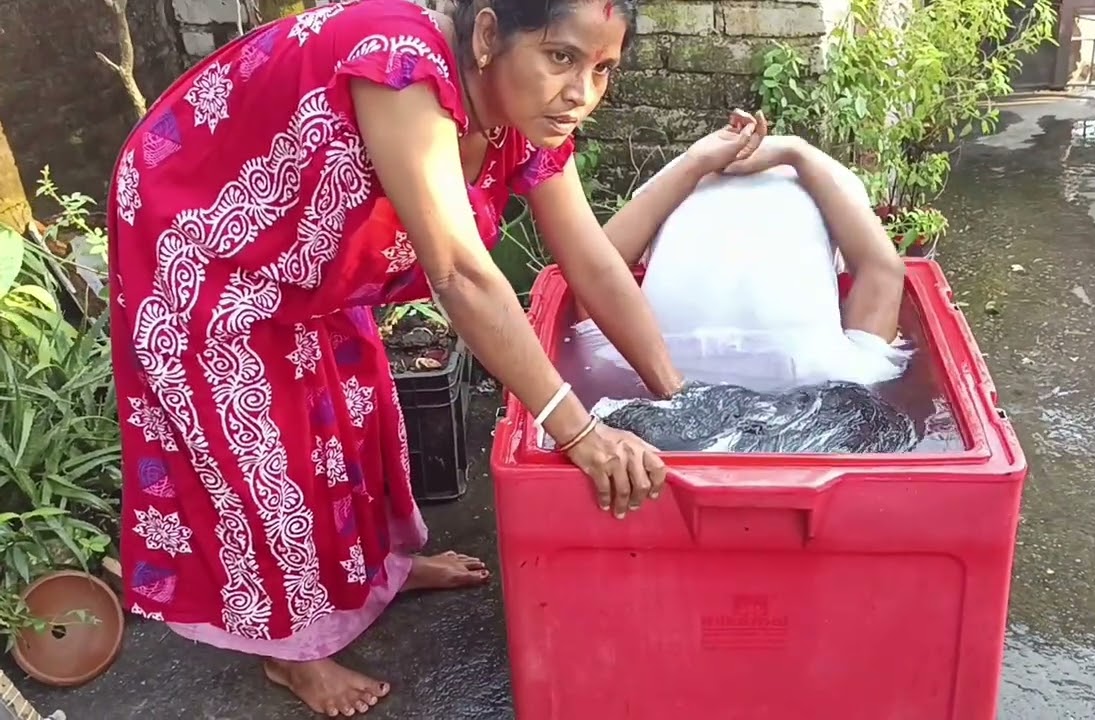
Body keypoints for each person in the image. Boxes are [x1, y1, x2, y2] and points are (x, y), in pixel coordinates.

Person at [107, 0, 768, 715]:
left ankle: (379, 572)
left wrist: (678, 399)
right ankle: (292, 655)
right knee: (263, 454)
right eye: (561, 57)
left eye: (602, 69)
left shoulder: (526, 118)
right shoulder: (403, 69)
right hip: (203, 239)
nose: (582, 91)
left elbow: (594, 264)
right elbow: (461, 272)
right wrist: (581, 433)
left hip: (302, 258)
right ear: (489, 35)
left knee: (349, 421)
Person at [575, 122, 910, 395]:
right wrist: (797, 153)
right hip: (811, 374)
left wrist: (695, 163)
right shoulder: (830, 366)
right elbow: (883, 272)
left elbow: (592, 274)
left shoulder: (623, 361)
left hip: (656, 374)